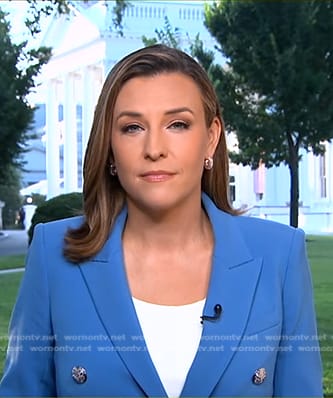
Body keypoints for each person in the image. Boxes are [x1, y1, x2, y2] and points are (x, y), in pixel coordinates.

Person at [0, 44, 323, 397]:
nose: (154, 148)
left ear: (211, 138)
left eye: (178, 124)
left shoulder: (279, 254)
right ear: (109, 148)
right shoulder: (53, 255)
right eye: (133, 127)